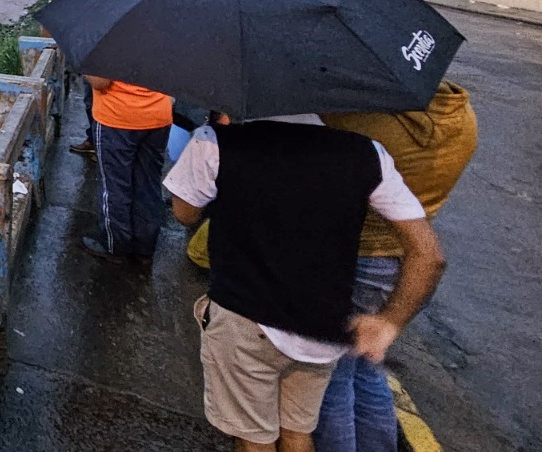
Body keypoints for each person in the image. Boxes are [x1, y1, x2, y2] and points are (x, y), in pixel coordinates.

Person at [165, 115, 446, 452]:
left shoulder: (214, 142)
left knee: (255, 440)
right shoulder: (368, 153)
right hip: (320, 330)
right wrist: (391, 321)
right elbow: (429, 256)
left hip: (245, 320)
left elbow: (184, 213)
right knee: (297, 433)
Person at [312, 82, 478, 452]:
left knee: (328, 379)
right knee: (366, 371)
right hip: (399, 260)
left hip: (351, 256)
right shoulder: (461, 117)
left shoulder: (364, 123)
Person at [79, 76, 172, 265]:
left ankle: (115, 245)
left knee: (114, 185)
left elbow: (100, 81)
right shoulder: (168, 44)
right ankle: (145, 246)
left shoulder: (110, 44)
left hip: (117, 117)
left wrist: (85, 71)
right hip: (158, 114)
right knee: (148, 183)